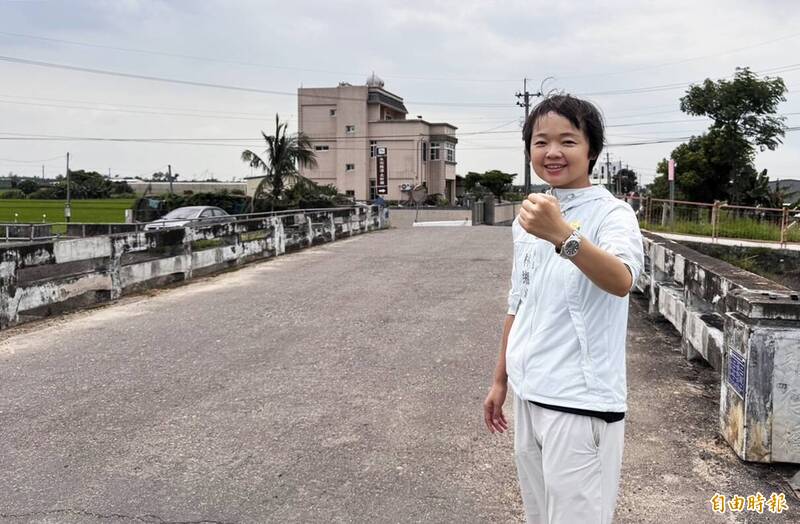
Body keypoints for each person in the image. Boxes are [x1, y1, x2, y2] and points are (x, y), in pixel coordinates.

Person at [483, 95, 644, 524]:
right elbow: (519, 300)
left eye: (568, 141)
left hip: (579, 403)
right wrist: (501, 380)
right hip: (529, 393)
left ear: (591, 150)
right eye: (541, 142)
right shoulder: (528, 218)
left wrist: (562, 236)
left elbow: (622, 280)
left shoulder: (613, 214)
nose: (553, 152)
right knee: (538, 516)